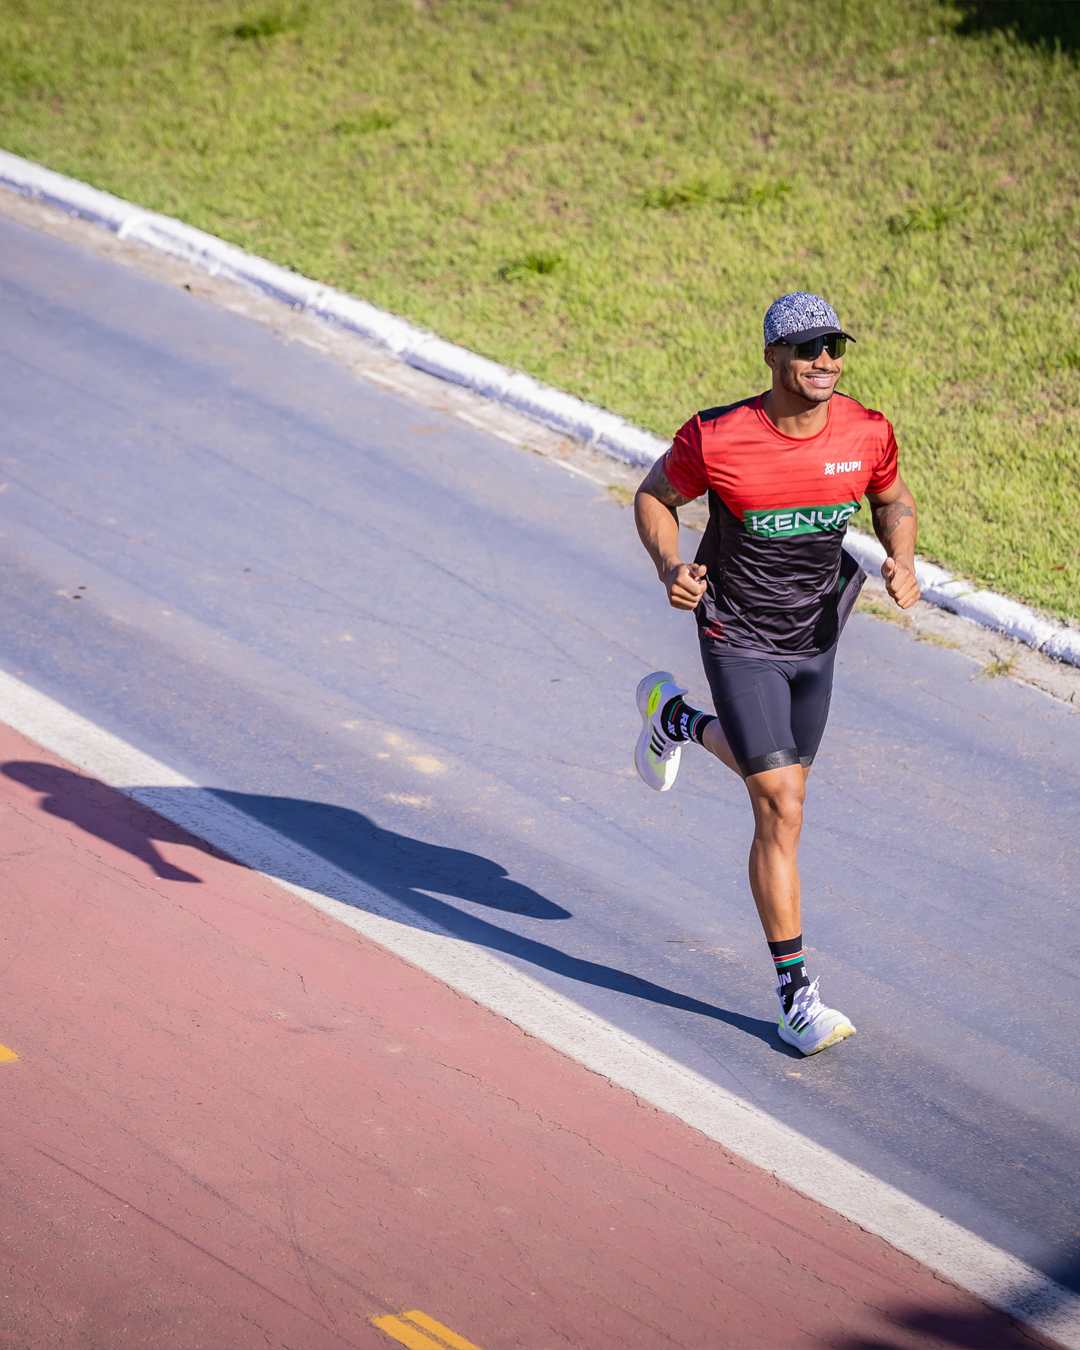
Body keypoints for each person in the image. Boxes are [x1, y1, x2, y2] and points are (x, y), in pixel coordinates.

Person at [633, 292, 920, 1055]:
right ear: (771, 357)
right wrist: (672, 564)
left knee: (786, 779)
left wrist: (903, 557)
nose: (825, 361)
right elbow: (654, 497)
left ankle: (679, 721)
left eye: (835, 348)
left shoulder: (866, 432)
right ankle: (796, 996)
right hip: (738, 629)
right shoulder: (719, 437)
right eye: (808, 349)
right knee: (782, 803)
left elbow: (893, 501)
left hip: (817, 632)